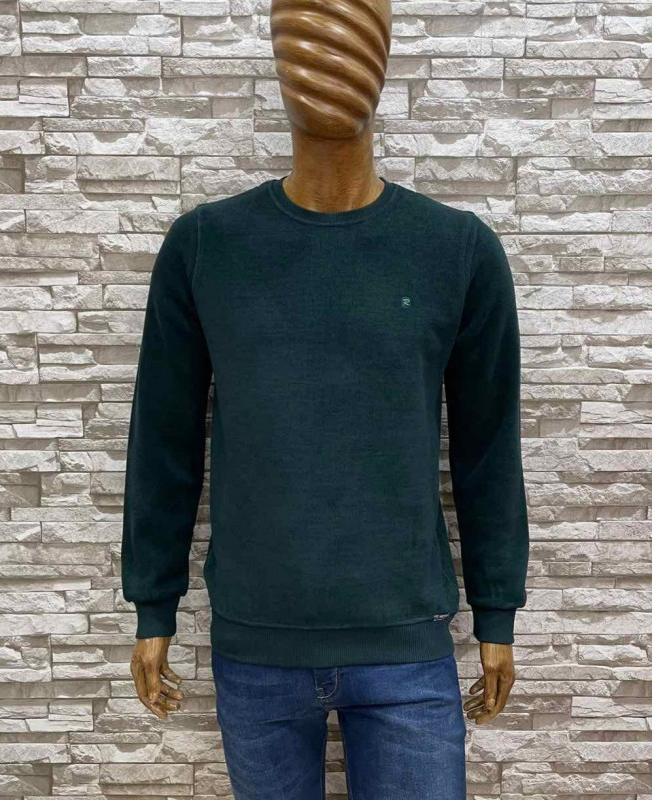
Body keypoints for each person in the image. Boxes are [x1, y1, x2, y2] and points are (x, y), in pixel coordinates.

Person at [121, 2, 529, 798]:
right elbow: (164, 441)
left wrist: (497, 613)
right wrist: (153, 606)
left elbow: (487, 448)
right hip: (257, 646)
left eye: (351, 25)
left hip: (407, 646)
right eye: (303, 28)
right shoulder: (207, 247)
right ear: (278, 57)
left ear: (383, 50)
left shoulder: (456, 251)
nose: (327, 52)